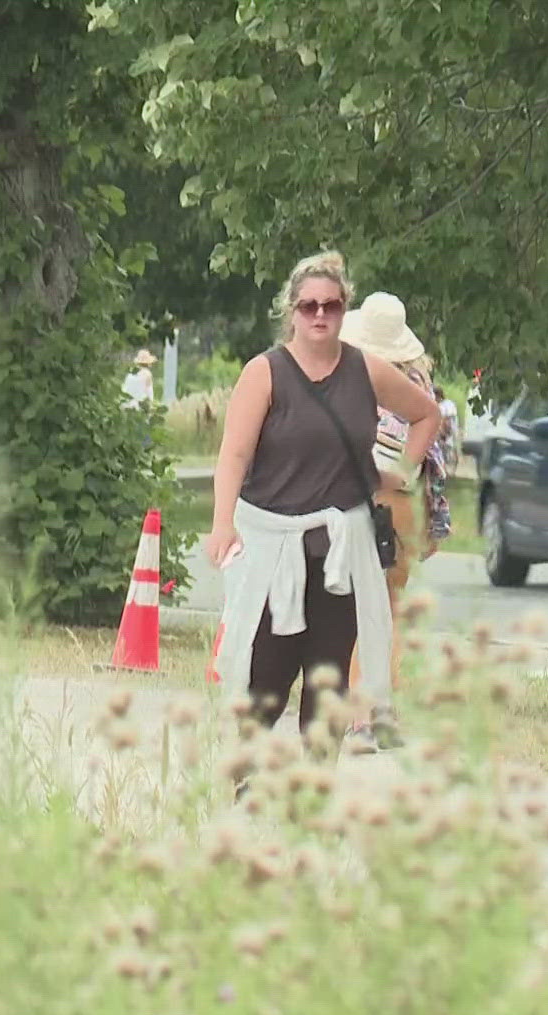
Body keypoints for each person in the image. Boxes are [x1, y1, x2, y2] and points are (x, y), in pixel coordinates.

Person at [206, 252, 441, 756]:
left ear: (343, 310)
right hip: (275, 546)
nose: (319, 315)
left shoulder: (365, 370)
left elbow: (426, 415)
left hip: (341, 550)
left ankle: (315, 791)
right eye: (309, 305)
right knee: (267, 673)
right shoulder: (265, 373)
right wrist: (222, 521)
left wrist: (399, 472)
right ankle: (246, 781)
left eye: (330, 306)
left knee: (328, 680)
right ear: (291, 310)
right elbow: (235, 452)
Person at [338, 292, 453, 693]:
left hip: (359, 492)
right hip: (404, 499)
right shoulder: (420, 385)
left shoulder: (347, 378)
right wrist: (434, 522)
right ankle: (384, 702)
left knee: (352, 605)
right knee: (391, 604)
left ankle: (357, 707)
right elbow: (437, 458)